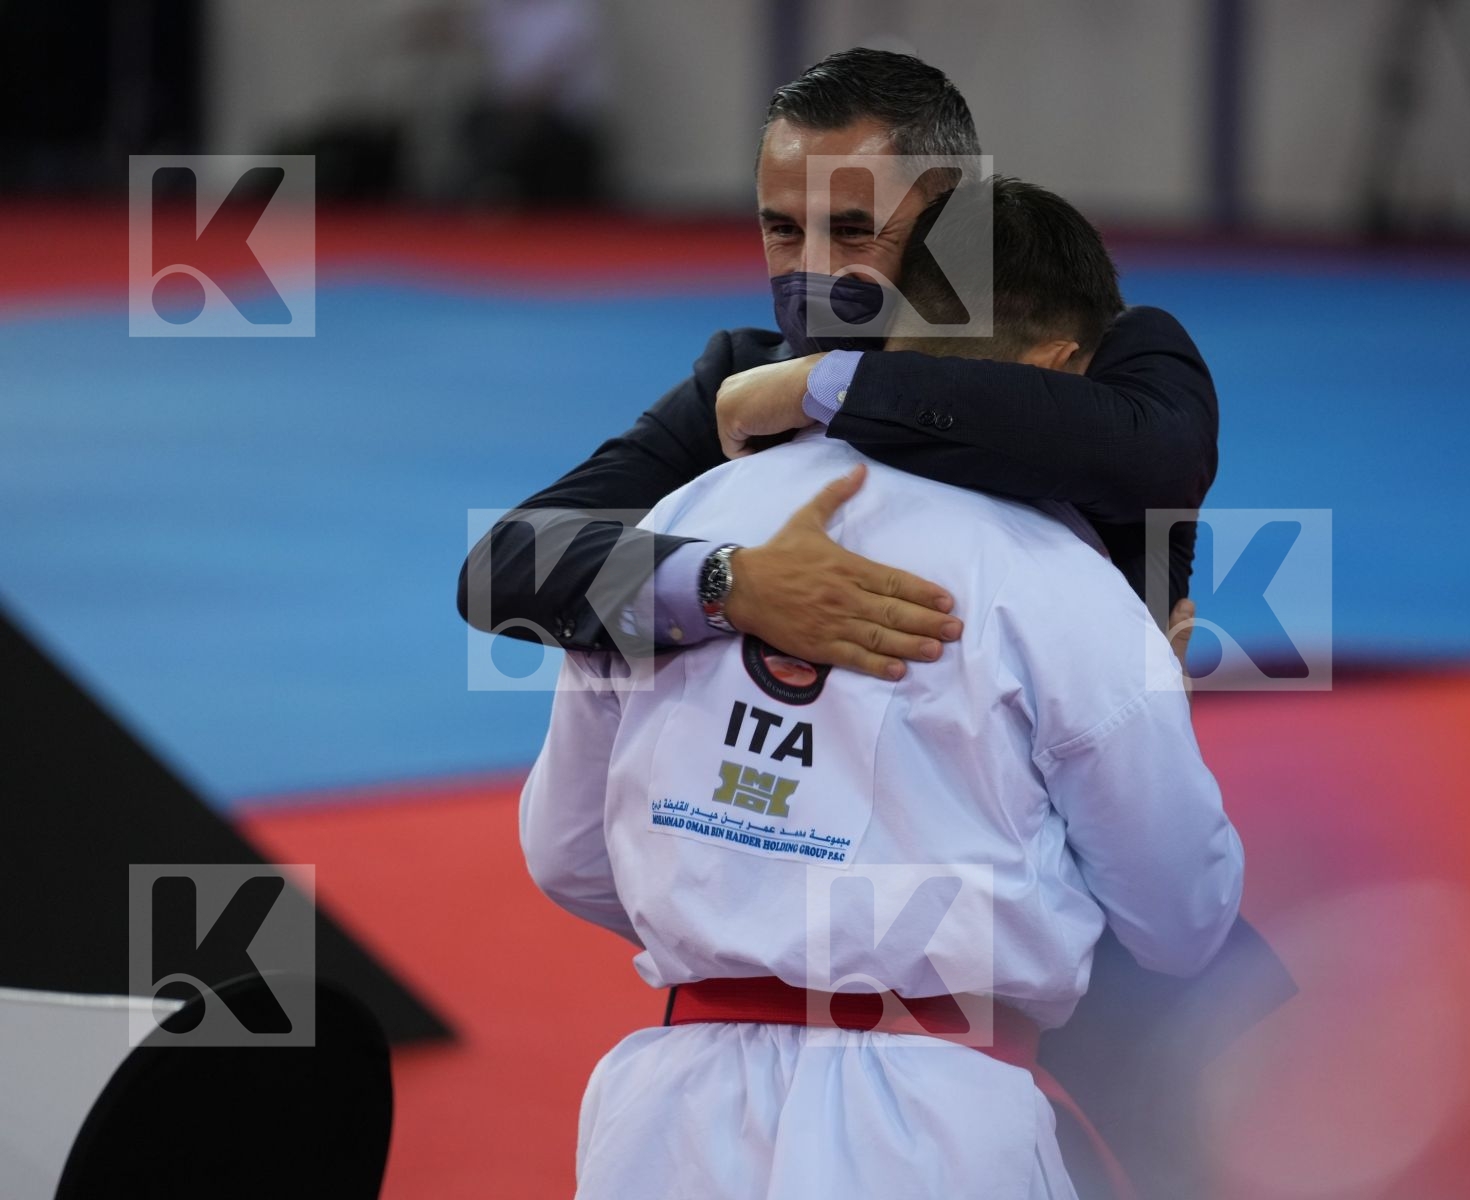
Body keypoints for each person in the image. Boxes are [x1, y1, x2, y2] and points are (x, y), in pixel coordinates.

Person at [519, 177, 1244, 1199]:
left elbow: (565, 856)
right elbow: (1181, 919)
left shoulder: (679, 522)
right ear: (1065, 371)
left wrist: (746, 908)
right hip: (941, 1125)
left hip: (668, 1124)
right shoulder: (1074, 588)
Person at [457, 47, 1217, 681]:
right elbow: (507, 569)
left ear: (956, 226)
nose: (812, 271)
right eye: (782, 229)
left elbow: (1157, 454)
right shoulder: (747, 377)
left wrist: (823, 388)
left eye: (853, 231)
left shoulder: (1105, 351)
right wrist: (731, 584)